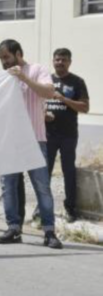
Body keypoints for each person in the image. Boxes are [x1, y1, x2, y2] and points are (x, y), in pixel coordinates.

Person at [0, 39, 63, 249]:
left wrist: (23, 77)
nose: (4, 62)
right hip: (10, 142)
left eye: (6, 57)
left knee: (42, 187)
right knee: (8, 187)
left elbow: (49, 93)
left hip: (35, 140)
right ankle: (13, 227)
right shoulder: (2, 78)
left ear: (18, 53)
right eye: (1, 59)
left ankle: (49, 232)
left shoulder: (37, 69)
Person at [45, 48, 89, 223]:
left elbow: (85, 108)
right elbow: (37, 102)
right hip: (47, 135)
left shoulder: (77, 82)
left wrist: (64, 99)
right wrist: (43, 114)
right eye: (57, 60)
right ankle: (42, 208)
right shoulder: (45, 81)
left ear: (69, 62)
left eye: (63, 60)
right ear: (53, 61)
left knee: (68, 172)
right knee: (44, 173)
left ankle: (70, 208)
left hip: (68, 135)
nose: (59, 63)